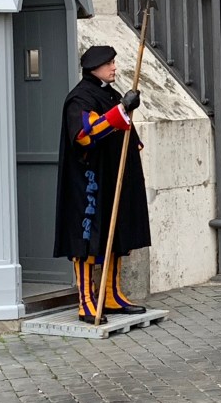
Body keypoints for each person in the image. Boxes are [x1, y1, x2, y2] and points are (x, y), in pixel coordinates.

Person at [53, 45, 152, 324]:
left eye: (114, 63)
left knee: (116, 232)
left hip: (113, 176)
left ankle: (111, 295)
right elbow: (86, 134)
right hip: (89, 181)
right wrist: (121, 110)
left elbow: (125, 129)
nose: (114, 68)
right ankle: (86, 300)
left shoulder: (109, 93)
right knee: (86, 240)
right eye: (109, 64)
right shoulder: (79, 98)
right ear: (94, 67)